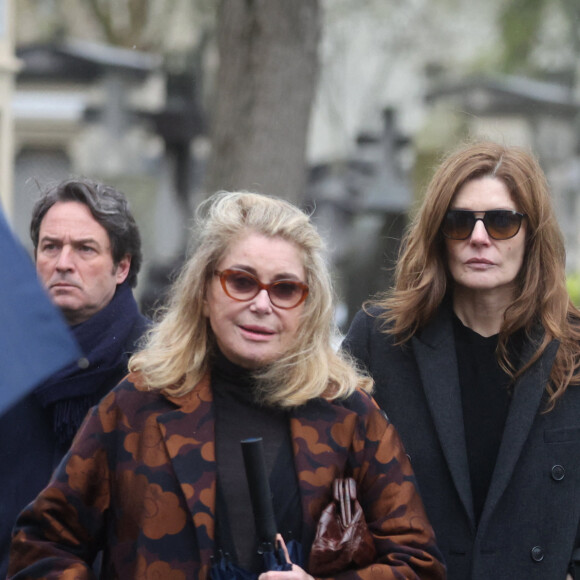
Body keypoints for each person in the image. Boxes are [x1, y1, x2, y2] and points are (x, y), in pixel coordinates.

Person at [8, 191, 446, 580]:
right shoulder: (136, 406)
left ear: (308, 307)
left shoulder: (349, 416)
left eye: (285, 289)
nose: (261, 304)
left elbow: (418, 563)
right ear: (204, 291)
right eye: (241, 281)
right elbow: (43, 544)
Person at [343, 141, 580, 580]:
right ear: (439, 233)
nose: (478, 237)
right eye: (459, 222)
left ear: (532, 235)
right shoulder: (382, 340)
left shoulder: (574, 348)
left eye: (502, 221)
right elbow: (329, 475)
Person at [0, 178, 150, 577]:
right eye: (50, 247)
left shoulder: (159, 368)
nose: (63, 263)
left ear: (122, 266)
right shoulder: (8, 361)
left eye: (85, 249)